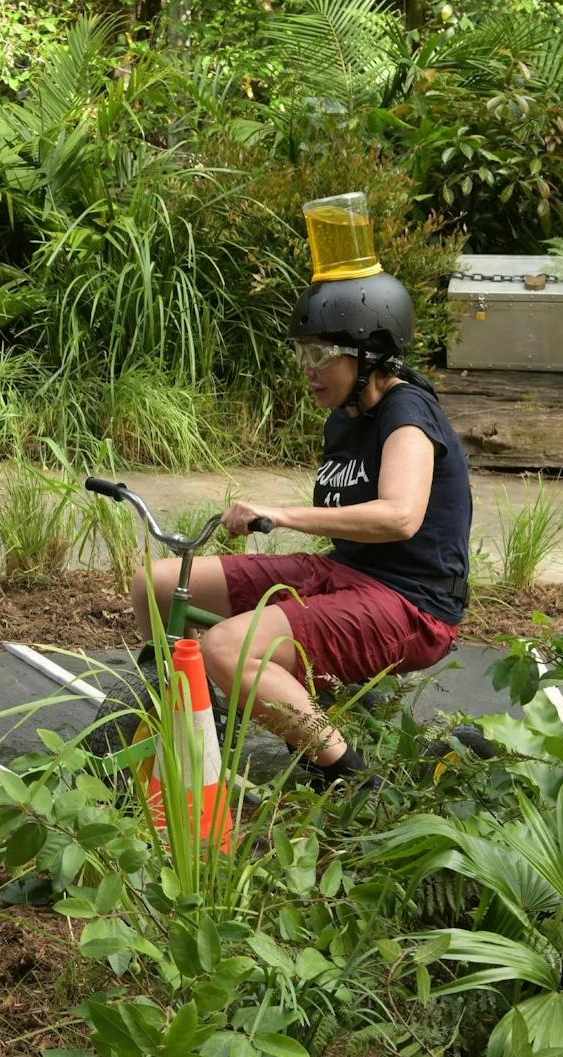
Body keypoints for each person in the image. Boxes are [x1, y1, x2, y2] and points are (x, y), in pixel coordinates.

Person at [132, 271, 472, 788]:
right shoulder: (345, 415)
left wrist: (282, 514)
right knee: (154, 584)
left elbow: (400, 516)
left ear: (368, 355)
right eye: (301, 354)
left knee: (229, 647)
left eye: (320, 355)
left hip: (412, 603)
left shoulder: (407, 413)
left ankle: (352, 780)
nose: (307, 370)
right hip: (346, 573)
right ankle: (201, 718)